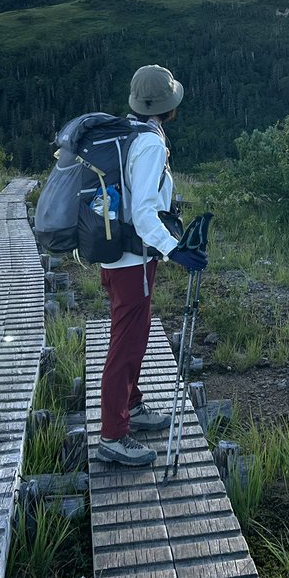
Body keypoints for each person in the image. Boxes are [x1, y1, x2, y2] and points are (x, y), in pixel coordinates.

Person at [98, 65, 207, 467]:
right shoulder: (149, 144)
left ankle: (131, 405)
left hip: (120, 255)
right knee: (126, 345)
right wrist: (174, 250)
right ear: (168, 105)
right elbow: (144, 212)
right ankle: (113, 435)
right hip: (133, 260)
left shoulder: (128, 132)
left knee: (135, 336)